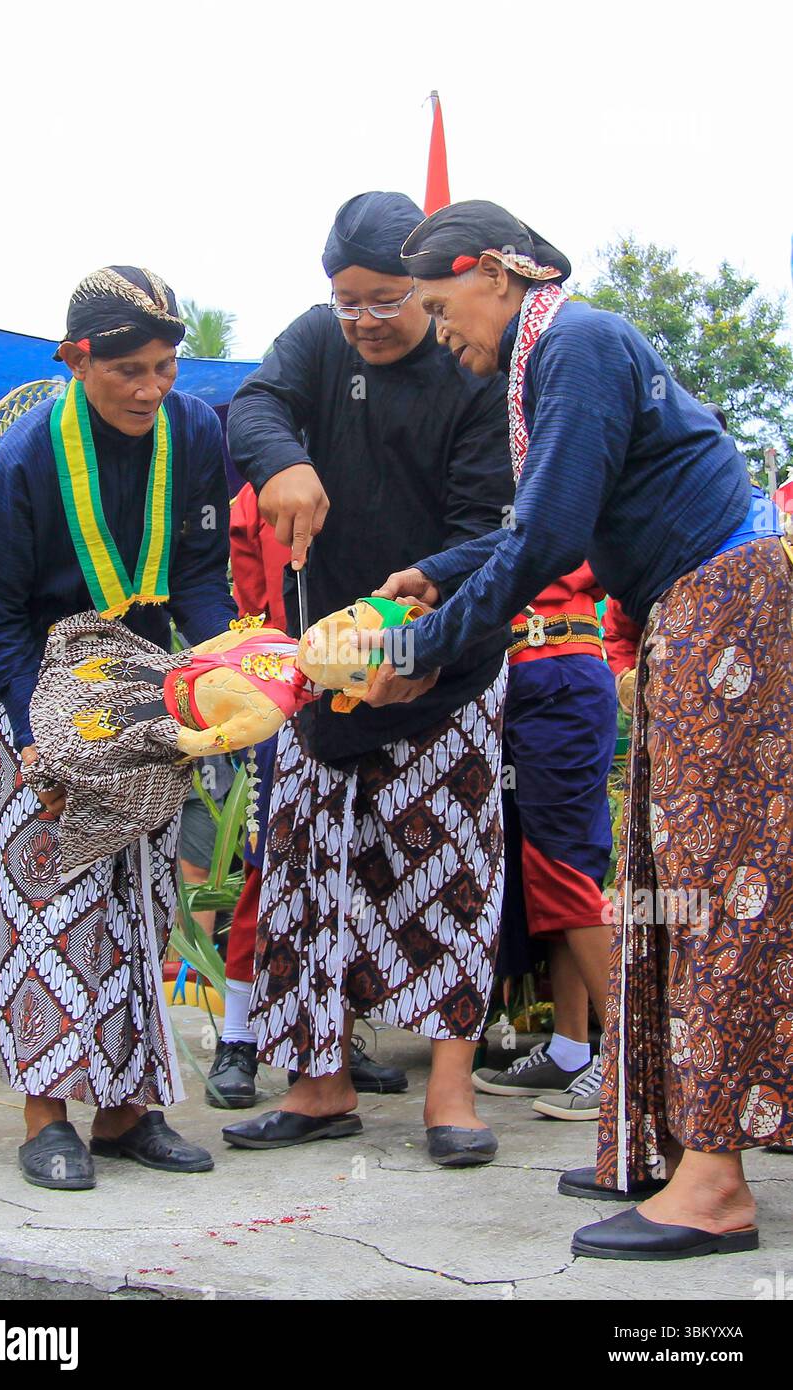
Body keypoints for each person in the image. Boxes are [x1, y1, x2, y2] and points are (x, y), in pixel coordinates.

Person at [370, 198, 789, 1258]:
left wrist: (419, 651)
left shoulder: (577, 345)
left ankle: (713, 1186)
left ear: (491, 275)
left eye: (433, 302)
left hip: (726, 614)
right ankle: (655, 1142)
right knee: (660, 881)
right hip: (690, 618)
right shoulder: (553, 356)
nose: (435, 328)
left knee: (713, 893)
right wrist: (435, 575)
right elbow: (535, 527)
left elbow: (550, 532)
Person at [222, 192, 513, 1166]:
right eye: (346, 300)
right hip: (323, 667)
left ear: (425, 290)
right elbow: (255, 404)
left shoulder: (473, 369)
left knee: (449, 876)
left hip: (447, 661)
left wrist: (415, 647)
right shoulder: (317, 341)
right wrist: (280, 463)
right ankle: (317, 1083)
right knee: (307, 876)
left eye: (384, 298)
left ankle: (448, 1091)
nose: (363, 320)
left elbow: (488, 528)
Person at [0, 266, 236, 1190]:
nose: (152, 389)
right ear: (78, 360)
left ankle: (127, 1113)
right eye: (131, 371)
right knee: (50, 908)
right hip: (40, 690)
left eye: (166, 368)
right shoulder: (30, 454)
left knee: (142, 900)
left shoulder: (195, 431)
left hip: (147, 694)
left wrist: (228, 666)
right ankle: (48, 1118)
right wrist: (32, 733)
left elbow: (198, 571)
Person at [206, 483, 407, 1106]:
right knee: (270, 864)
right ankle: (238, 1036)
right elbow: (247, 599)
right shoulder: (260, 488)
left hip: (377, 687)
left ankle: (332, 1044)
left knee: (361, 866)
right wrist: (265, 679)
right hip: (288, 693)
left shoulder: (381, 450)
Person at [471, 565, 621, 1124]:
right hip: (511, 672)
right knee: (545, 868)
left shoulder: (563, 475)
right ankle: (569, 1049)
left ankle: (629, 1060)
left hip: (557, 665)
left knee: (565, 868)